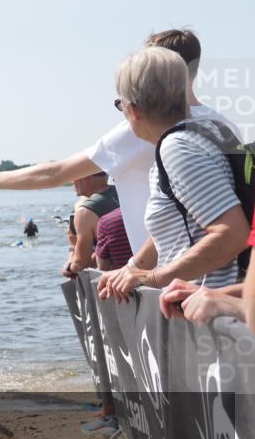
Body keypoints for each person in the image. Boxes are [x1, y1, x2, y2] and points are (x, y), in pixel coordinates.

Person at [0, 29, 238, 261]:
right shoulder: (223, 125)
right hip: (221, 273)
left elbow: (56, 173)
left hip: (173, 281)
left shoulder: (143, 128)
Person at [97, 47, 249, 300]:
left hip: (207, 310)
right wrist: (132, 268)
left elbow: (233, 234)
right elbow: (176, 226)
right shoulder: (207, 130)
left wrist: (154, 277)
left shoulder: (178, 149)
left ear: (134, 110)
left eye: (120, 104)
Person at [62, 173, 119, 278]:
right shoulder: (122, 192)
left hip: (115, 278)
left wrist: (69, 266)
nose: (71, 182)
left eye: (73, 177)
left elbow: (80, 264)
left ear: (86, 178)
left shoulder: (85, 212)